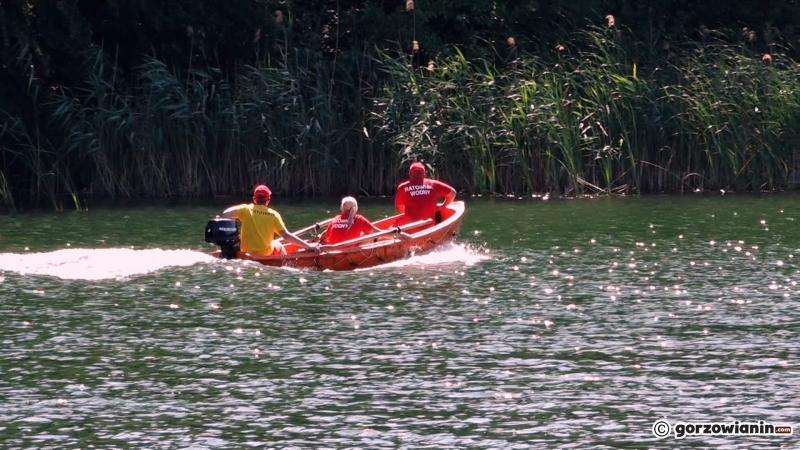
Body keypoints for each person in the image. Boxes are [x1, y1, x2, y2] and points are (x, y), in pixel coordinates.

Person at [221, 185, 317, 256]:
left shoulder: (246, 209)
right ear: (268, 200)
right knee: (277, 243)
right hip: (264, 254)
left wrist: (234, 234)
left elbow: (225, 214)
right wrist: (308, 246)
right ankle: (284, 263)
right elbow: (286, 236)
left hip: (246, 253)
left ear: (254, 199)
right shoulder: (274, 214)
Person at [318, 197, 413, 248]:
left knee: (363, 234)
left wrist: (318, 240)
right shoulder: (359, 219)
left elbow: (324, 235)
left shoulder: (335, 219)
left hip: (333, 249)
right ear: (355, 208)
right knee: (368, 236)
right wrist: (401, 235)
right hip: (347, 250)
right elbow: (380, 233)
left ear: (342, 208)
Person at [394, 161, 456, 227]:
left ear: (410, 174)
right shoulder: (433, 184)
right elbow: (453, 193)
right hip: (428, 226)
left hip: (409, 227)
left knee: (390, 229)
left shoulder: (402, 187)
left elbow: (400, 208)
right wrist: (443, 206)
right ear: (424, 175)